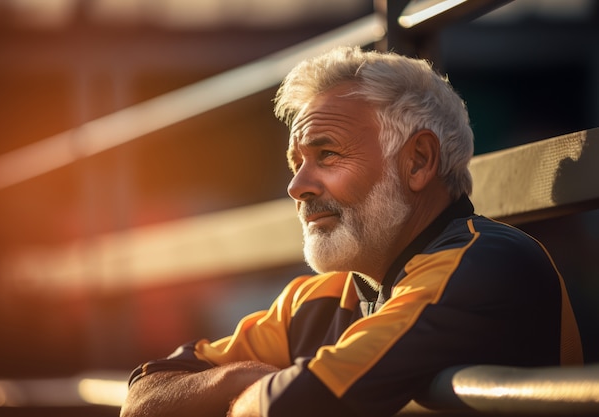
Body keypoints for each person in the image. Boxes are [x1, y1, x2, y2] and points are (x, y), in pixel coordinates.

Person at [120, 46, 583, 417]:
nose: (296, 186)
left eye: (327, 155)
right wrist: (237, 380)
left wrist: (242, 392)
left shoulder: (485, 264)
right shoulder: (322, 296)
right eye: (296, 162)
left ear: (418, 161)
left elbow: (289, 407)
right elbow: (143, 398)